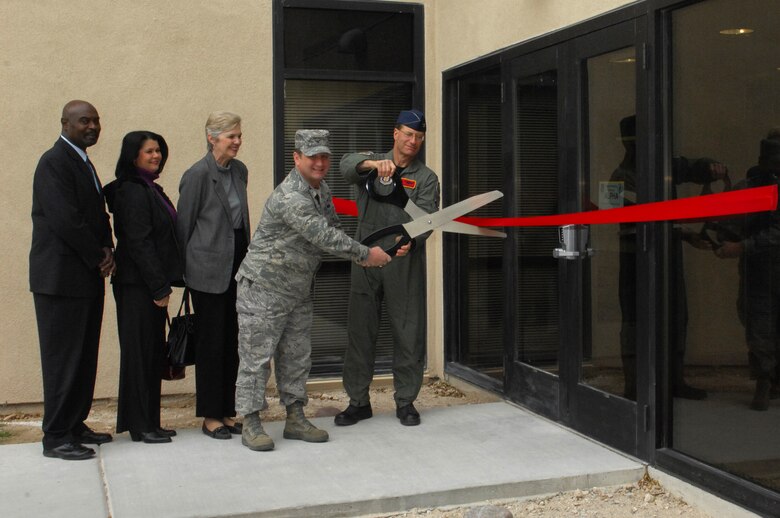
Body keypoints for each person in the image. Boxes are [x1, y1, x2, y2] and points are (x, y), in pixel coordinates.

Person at [235, 130, 390, 451]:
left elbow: (334, 228)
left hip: (298, 289)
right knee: (256, 359)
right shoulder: (291, 196)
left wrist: (376, 248)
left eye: (324, 157)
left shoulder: (321, 190)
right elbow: (324, 236)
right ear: (296, 158)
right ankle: (250, 422)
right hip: (264, 288)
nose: (320, 163)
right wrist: (366, 255)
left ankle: (295, 417)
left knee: (296, 355)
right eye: (312, 157)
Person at [336, 109, 440, 427]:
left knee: (408, 331)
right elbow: (345, 165)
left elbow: (426, 218)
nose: (413, 141)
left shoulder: (426, 178)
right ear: (395, 134)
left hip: (402, 260)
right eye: (408, 134)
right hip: (366, 257)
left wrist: (413, 240)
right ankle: (358, 402)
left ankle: (406, 401)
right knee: (360, 331)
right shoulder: (372, 165)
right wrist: (372, 165)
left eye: (419, 137)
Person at [611, 115, 723, 401]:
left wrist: (710, 167)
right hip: (635, 258)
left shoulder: (664, 166)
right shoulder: (620, 176)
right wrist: (679, 231)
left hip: (667, 255)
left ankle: (673, 381)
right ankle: (635, 386)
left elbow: (693, 167)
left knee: (675, 316)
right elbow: (614, 216)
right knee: (635, 321)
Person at [30, 100, 115, 460]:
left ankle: (74, 423)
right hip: (61, 280)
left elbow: (95, 215)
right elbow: (65, 220)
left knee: (83, 357)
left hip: (84, 278)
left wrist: (107, 247)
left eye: (95, 120)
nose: (92, 126)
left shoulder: (81, 160)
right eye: (84, 121)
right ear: (65, 123)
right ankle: (56, 436)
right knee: (63, 359)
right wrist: (99, 255)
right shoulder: (54, 162)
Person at [104, 131, 183, 443]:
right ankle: (140, 425)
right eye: (149, 151)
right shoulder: (132, 190)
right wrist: (158, 287)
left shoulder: (150, 187)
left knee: (151, 354)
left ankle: (150, 421)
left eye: (159, 151)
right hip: (137, 286)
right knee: (139, 355)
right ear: (132, 155)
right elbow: (139, 243)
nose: (156, 156)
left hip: (147, 285)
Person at [177, 112, 250, 439]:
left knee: (232, 341)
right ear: (212, 138)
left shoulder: (239, 171)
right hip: (207, 271)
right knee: (211, 343)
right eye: (230, 136)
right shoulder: (197, 175)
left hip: (238, 265)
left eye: (238, 135)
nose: (237, 141)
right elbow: (184, 227)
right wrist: (182, 274)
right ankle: (210, 416)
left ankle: (228, 411)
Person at [715, 134, 780, 411]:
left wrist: (741, 246)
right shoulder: (750, 186)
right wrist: (718, 238)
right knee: (757, 323)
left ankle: (767, 380)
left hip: (764, 265)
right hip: (759, 271)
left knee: (762, 324)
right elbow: (730, 220)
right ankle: (766, 378)